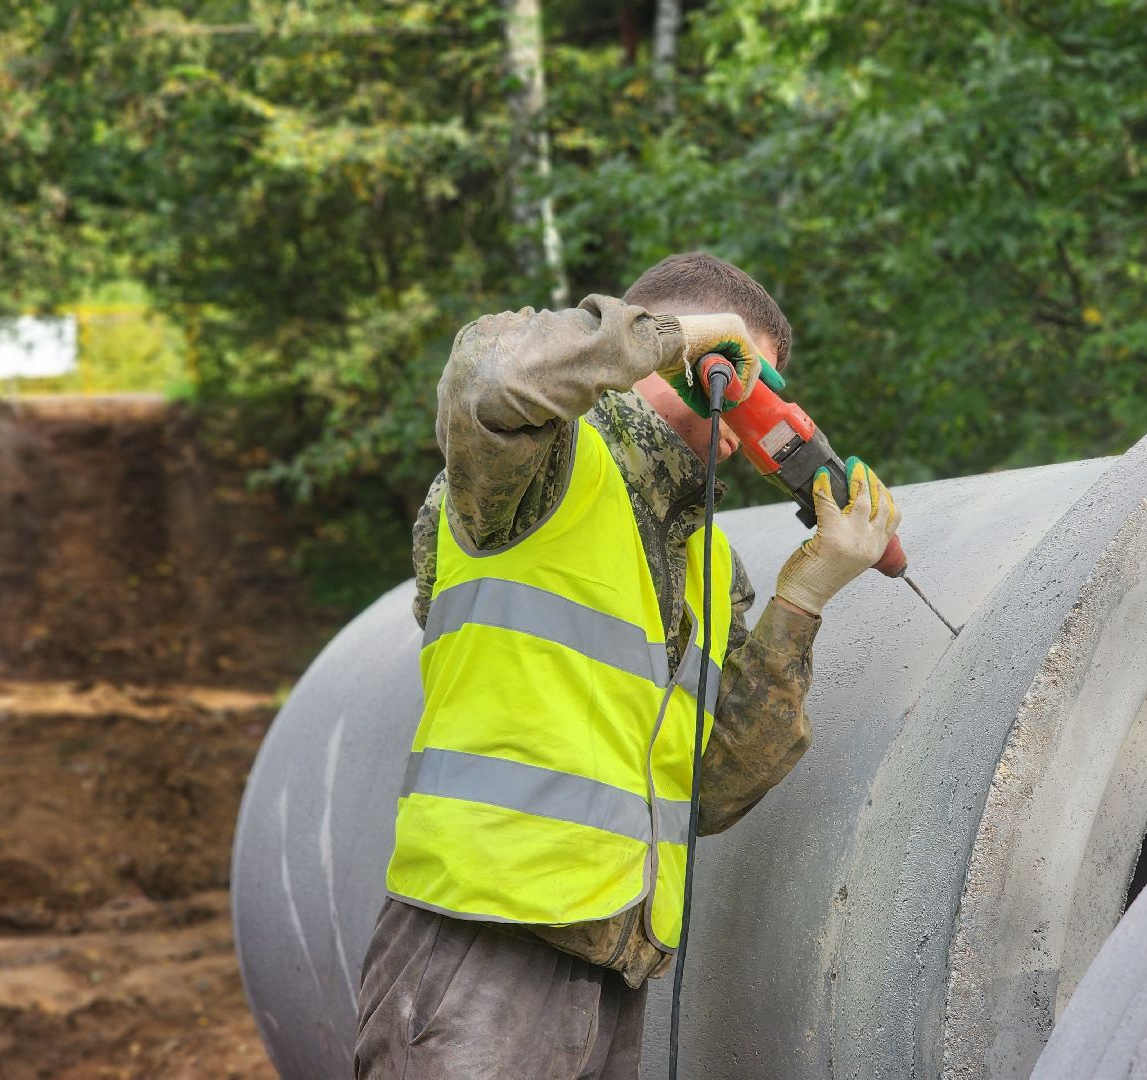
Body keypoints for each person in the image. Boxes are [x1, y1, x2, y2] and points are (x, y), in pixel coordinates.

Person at [355, 252, 900, 1079]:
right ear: (693, 357)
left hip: (616, 963)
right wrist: (673, 336)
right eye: (744, 379)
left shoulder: (709, 564)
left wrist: (805, 597)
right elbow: (489, 374)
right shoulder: (542, 465)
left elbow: (711, 793)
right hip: (483, 943)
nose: (752, 418)